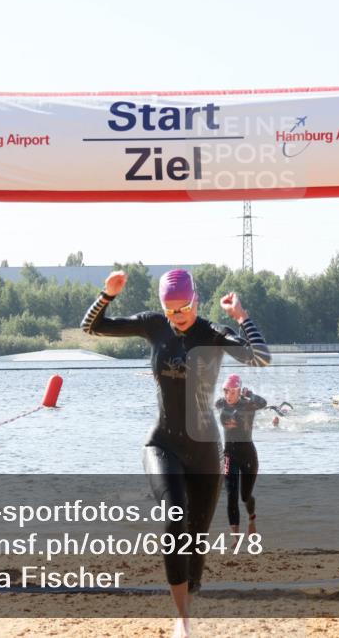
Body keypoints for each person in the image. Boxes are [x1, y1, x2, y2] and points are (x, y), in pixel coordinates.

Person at [81, 269, 270, 638]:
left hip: (204, 452)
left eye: (182, 308)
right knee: (175, 517)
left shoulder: (212, 334)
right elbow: (93, 328)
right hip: (162, 443)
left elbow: (260, 358)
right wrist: (107, 294)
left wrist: (242, 318)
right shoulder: (155, 326)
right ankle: (182, 620)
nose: (176, 315)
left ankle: (190, 602)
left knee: (195, 542)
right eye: (170, 309)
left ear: (195, 301)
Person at [215, 374, 267, 535]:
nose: (228, 395)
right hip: (229, 455)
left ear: (238, 392)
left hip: (248, 456)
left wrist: (250, 394)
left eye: (231, 392)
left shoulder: (248, 405)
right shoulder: (221, 404)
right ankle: (235, 537)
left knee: (245, 497)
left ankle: (251, 517)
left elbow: (263, 403)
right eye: (226, 391)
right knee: (231, 495)